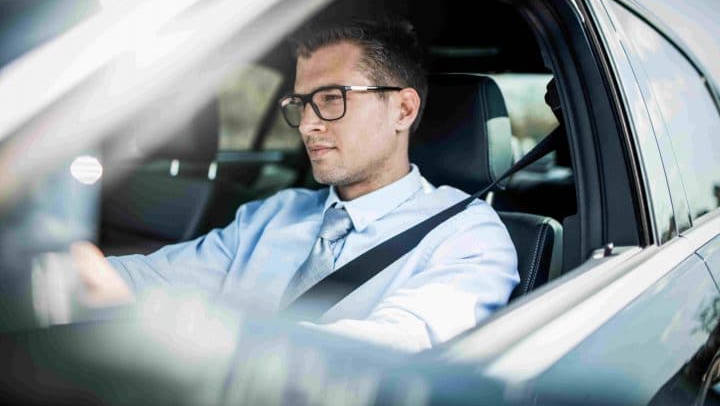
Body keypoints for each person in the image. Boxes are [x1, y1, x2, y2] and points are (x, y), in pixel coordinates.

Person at [73, 18, 519, 352]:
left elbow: (386, 349)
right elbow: (154, 277)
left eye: (330, 99)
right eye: (300, 103)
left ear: (402, 110)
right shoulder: (273, 213)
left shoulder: (468, 235)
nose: (306, 125)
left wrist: (195, 338)